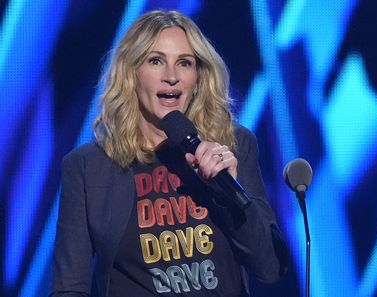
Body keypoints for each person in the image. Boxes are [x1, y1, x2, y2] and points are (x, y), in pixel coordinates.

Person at [50, 10, 287, 297]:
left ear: (198, 78)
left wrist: (230, 194)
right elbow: (69, 288)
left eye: (184, 63)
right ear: (132, 73)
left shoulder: (232, 145)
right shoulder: (88, 167)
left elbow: (269, 268)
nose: (171, 77)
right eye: (156, 61)